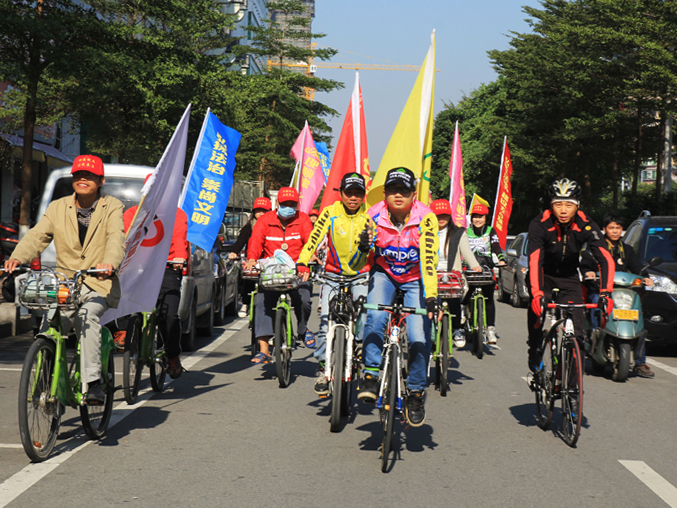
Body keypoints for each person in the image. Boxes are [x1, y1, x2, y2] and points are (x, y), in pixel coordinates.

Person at [4, 155, 125, 404]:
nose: (83, 179)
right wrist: (17, 258)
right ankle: (45, 380)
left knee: (87, 317)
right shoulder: (58, 207)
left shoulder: (112, 206)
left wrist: (109, 264)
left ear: (100, 181)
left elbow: (116, 238)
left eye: (89, 176)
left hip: (98, 283)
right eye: (79, 174)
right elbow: (37, 236)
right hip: (65, 286)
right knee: (50, 327)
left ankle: (92, 383)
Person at [358, 167, 439, 427]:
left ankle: (415, 392)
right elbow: (362, 258)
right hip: (385, 274)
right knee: (375, 316)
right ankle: (370, 374)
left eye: (404, 190)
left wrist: (431, 297)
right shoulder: (372, 215)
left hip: (417, 278)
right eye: (393, 190)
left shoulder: (427, 218)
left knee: (418, 335)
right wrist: (363, 247)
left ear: (413, 194)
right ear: (384, 193)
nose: (398, 195)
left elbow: (428, 260)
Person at [527, 178, 614, 373]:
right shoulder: (539, 224)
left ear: (577, 206)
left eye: (569, 205)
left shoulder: (586, 224)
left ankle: (572, 389)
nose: (563, 210)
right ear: (551, 205)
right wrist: (537, 294)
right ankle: (534, 348)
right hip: (544, 275)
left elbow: (605, 259)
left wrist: (606, 292)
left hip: (569, 277)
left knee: (577, 332)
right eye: (558, 204)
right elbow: (535, 261)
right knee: (536, 311)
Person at [297, 173, 372, 395]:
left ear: (363, 196)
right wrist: (302, 261)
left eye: (358, 193)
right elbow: (314, 238)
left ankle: (358, 350)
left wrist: (369, 248)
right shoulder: (330, 212)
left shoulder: (369, 216)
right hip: (332, 276)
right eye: (349, 193)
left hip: (360, 275)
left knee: (365, 317)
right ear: (341, 193)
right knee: (325, 321)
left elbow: (376, 245)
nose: (353, 197)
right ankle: (324, 369)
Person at [121, 180, 189, 379]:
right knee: (118, 296)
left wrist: (179, 257)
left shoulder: (177, 214)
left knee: (169, 314)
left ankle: (173, 356)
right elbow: (126, 239)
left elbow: (179, 237)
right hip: (138, 268)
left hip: (167, 268)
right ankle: (124, 332)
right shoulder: (131, 213)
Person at [245, 187, 313, 364]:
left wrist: (307, 261)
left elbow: (310, 241)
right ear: (277, 204)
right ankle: (264, 349)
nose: (288, 207)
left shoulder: (303, 219)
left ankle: (303, 330)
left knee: (304, 299)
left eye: (292, 204)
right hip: (271, 274)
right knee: (261, 302)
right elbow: (255, 241)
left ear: (297, 205)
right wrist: (252, 259)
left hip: (297, 272)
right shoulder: (265, 220)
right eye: (285, 204)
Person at [583, 214, 655, 378]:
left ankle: (640, 361)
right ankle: (593, 341)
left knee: (639, 318)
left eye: (618, 228)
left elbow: (638, 267)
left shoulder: (627, 250)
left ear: (622, 230)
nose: (615, 231)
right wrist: (588, 271)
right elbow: (585, 265)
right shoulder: (595, 247)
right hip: (600, 291)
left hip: (623, 293)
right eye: (611, 228)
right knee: (595, 305)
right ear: (604, 230)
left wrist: (647, 278)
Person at [430, 199, 481, 348]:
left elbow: (467, 252)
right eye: (438, 215)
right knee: (431, 303)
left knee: (454, 299)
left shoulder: (458, 233)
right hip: (432, 274)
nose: (441, 219)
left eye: (444, 215)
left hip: (452, 275)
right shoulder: (425, 232)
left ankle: (457, 329)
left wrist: (475, 266)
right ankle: (430, 332)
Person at [466, 203, 506, 344]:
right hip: (469, 268)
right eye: (475, 216)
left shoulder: (490, 231)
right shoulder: (466, 232)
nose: (477, 219)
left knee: (489, 298)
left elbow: (496, 246)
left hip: (486, 267)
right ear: (471, 218)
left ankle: (490, 329)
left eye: (480, 217)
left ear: (485, 218)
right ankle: (465, 315)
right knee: (465, 294)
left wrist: (501, 259)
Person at [226, 197, 272, 317]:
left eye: (264, 211)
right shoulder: (249, 227)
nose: (260, 213)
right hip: (252, 261)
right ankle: (246, 303)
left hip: (269, 261)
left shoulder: (273, 227)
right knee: (248, 280)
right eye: (258, 210)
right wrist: (234, 252)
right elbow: (240, 242)